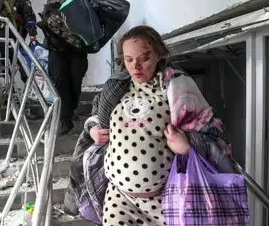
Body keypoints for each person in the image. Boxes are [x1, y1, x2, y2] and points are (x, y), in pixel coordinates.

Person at [80, 26, 233, 225]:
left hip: (165, 199)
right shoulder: (115, 88)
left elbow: (212, 133)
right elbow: (96, 117)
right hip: (119, 198)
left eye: (144, 58)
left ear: (159, 54)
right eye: (129, 59)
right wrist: (93, 130)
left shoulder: (178, 87)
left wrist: (187, 148)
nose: (136, 66)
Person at [43, 0, 95, 136]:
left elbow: (88, 13)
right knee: (59, 81)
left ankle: (70, 110)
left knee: (74, 80)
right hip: (55, 45)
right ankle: (65, 119)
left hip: (76, 45)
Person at [0, 0, 37, 84]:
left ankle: (31, 90)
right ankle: (9, 91)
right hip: (1, 41)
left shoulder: (21, 1)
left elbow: (30, 17)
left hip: (16, 40)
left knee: (23, 67)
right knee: (3, 69)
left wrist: (32, 33)